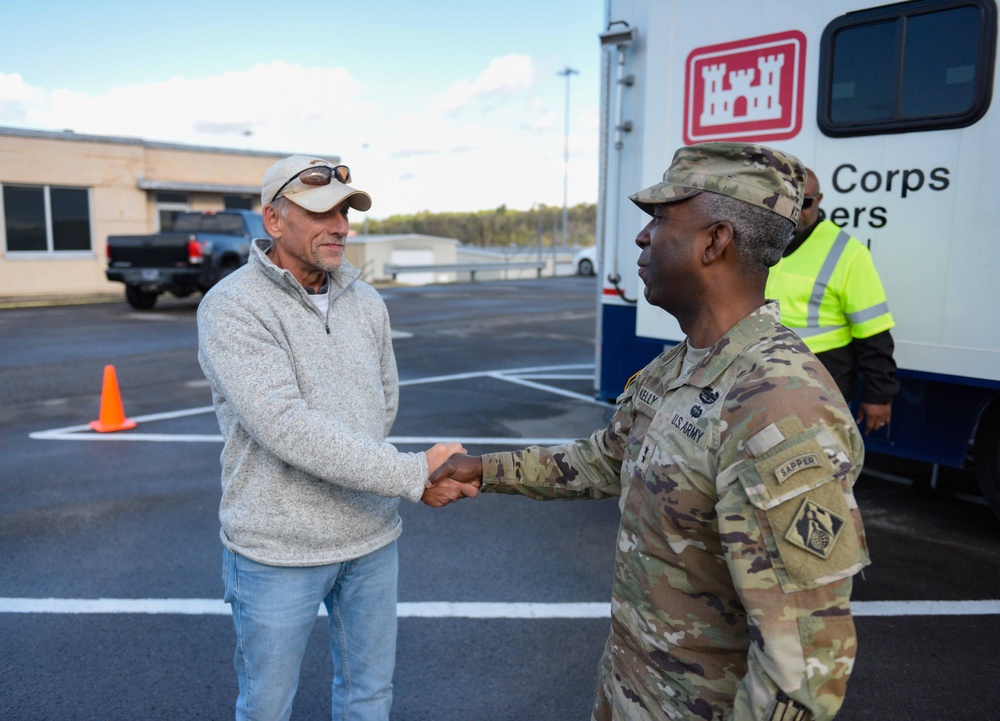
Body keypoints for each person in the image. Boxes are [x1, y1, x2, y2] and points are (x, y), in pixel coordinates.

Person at [432, 143, 870, 721]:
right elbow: (605, 459)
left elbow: (805, 666)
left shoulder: (779, 408)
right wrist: (487, 470)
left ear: (715, 242)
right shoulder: (678, 365)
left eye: (661, 219)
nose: (642, 237)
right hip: (630, 689)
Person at [197, 154, 474, 721]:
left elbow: (383, 404)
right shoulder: (232, 306)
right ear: (274, 221)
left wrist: (389, 479)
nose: (341, 226)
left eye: (346, 211)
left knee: (369, 697)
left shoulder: (367, 302)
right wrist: (412, 474)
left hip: (371, 540)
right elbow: (285, 425)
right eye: (322, 212)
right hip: (278, 550)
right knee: (267, 707)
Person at [765, 167, 898, 435]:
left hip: (820, 388)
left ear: (820, 200)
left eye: (805, 202)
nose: (794, 210)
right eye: (786, 201)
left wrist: (878, 395)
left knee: (820, 469)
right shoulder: (764, 241)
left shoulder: (847, 252)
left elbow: (873, 331)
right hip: (765, 384)